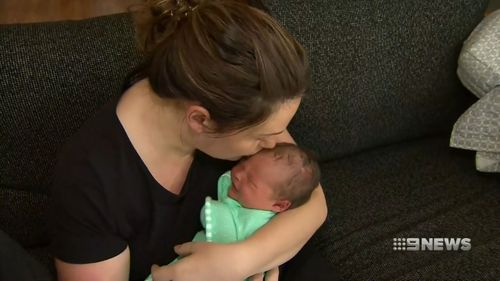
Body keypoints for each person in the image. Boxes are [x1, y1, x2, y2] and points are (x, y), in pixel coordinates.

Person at [49, 0, 339, 280]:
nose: (273, 145)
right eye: (261, 137)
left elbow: (313, 202)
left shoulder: (234, 101)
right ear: (201, 120)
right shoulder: (91, 180)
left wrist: (240, 261)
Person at [145, 143, 321, 281]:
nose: (237, 175)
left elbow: (219, 225)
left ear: (279, 206)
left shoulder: (252, 222)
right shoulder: (254, 198)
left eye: (251, 181)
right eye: (244, 163)